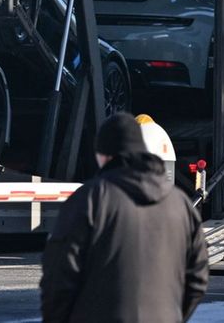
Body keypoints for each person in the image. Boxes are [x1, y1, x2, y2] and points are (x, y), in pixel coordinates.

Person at [40, 112, 209, 322]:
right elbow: (197, 277)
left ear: (105, 155)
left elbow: (59, 275)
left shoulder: (89, 199)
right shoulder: (182, 205)